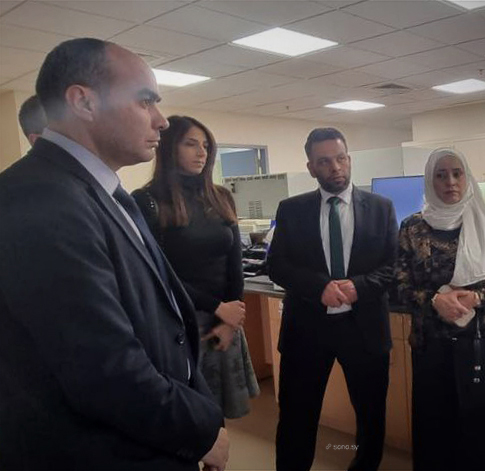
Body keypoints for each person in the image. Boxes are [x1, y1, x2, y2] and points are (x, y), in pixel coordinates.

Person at [0, 38, 228, 471]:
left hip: (149, 433)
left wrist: (200, 407)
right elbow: (103, 369)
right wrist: (199, 430)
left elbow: (165, 322)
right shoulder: (39, 199)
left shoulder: (103, 190)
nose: (161, 121)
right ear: (83, 102)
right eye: (145, 101)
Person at [268, 127, 398, 471]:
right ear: (311, 167)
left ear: (349, 159)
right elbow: (277, 264)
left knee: (371, 417)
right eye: (324, 161)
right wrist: (319, 287)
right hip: (306, 330)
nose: (335, 167)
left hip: (365, 329)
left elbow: (394, 266)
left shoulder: (381, 208)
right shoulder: (292, 209)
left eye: (340, 158)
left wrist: (359, 286)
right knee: (296, 417)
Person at [395, 148, 485, 471]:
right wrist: (435, 300)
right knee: (441, 437)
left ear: (467, 176)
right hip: (435, 349)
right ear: (430, 181)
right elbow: (399, 286)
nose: (450, 182)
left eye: (457, 173)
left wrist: (477, 298)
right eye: (441, 175)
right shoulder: (412, 227)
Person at [133, 115, 259, 419]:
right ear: (168, 148)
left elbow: (234, 265)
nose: (201, 153)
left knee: (218, 416)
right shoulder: (147, 201)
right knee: (187, 415)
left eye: (205, 146)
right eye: (191, 144)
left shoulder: (221, 196)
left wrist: (230, 319)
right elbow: (157, 273)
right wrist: (218, 308)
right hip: (179, 323)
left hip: (224, 321)